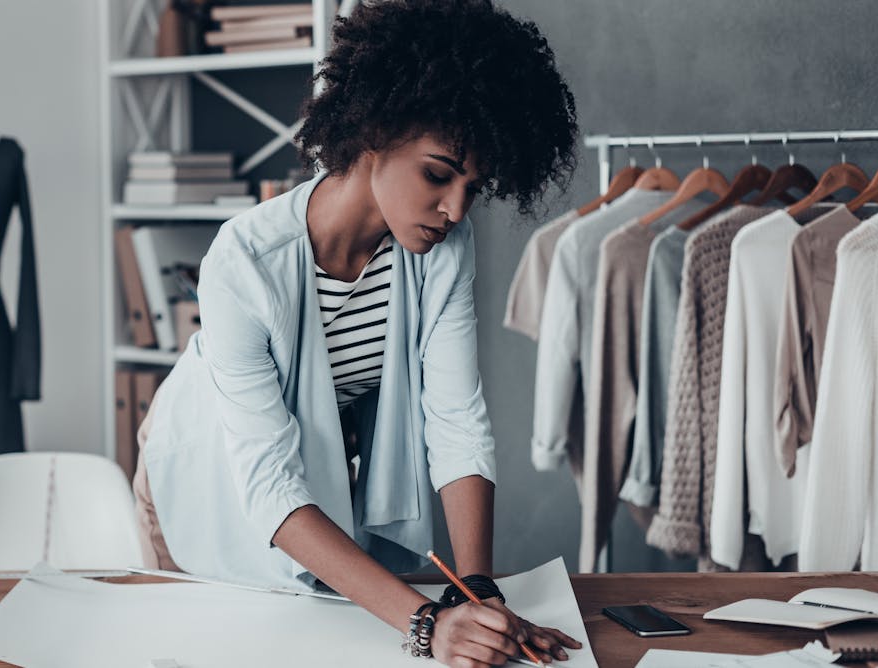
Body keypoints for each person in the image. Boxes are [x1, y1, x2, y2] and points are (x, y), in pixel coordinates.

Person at [132, 1, 579, 665]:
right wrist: (430, 624)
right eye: (437, 173)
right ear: (374, 131)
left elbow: (456, 420)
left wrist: (476, 596)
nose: (455, 209)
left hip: (308, 490)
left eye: (472, 187)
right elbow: (268, 486)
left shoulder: (440, 251)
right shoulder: (244, 262)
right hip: (199, 483)